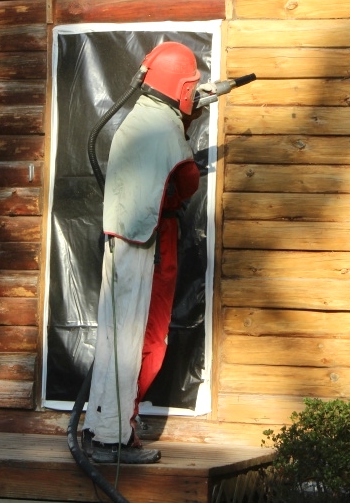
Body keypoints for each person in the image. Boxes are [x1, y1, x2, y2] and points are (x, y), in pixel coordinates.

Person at [84, 41, 203, 464]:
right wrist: (189, 124)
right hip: (149, 243)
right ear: (183, 85)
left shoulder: (138, 118)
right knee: (142, 340)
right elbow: (187, 181)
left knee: (116, 337)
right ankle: (116, 438)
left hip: (121, 241)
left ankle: (100, 427)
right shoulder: (166, 127)